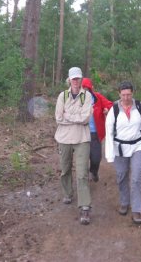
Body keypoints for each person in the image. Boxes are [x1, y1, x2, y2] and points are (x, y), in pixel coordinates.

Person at [105, 81, 141, 224]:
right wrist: (109, 154)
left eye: (128, 94)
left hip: (138, 146)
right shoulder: (114, 110)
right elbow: (109, 132)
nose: (126, 98)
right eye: (123, 95)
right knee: (121, 175)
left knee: (136, 178)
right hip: (120, 147)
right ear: (119, 94)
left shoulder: (140, 107)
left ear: (132, 93)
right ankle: (124, 202)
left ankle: (137, 209)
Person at [54, 67, 93, 225]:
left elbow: (85, 119)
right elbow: (58, 118)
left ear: (82, 79)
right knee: (65, 169)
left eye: (78, 78)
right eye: (73, 79)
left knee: (82, 172)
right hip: (64, 138)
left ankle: (85, 207)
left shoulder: (87, 96)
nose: (76, 81)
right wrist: (76, 117)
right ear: (69, 80)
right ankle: (68, 193)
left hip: (82, 138)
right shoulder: (62, 96)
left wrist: (68, 115)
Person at [81, 78, 113, 182]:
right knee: (82, 159)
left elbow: (110, 105)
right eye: (83, 89)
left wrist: (107, 110)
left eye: (87, 89)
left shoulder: (98, 98)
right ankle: (83, 179)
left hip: (95, 134)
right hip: (82, 134)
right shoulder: (78, 100)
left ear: (91, 89)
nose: (85, 91)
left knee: (96, 158)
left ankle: (94, 172)